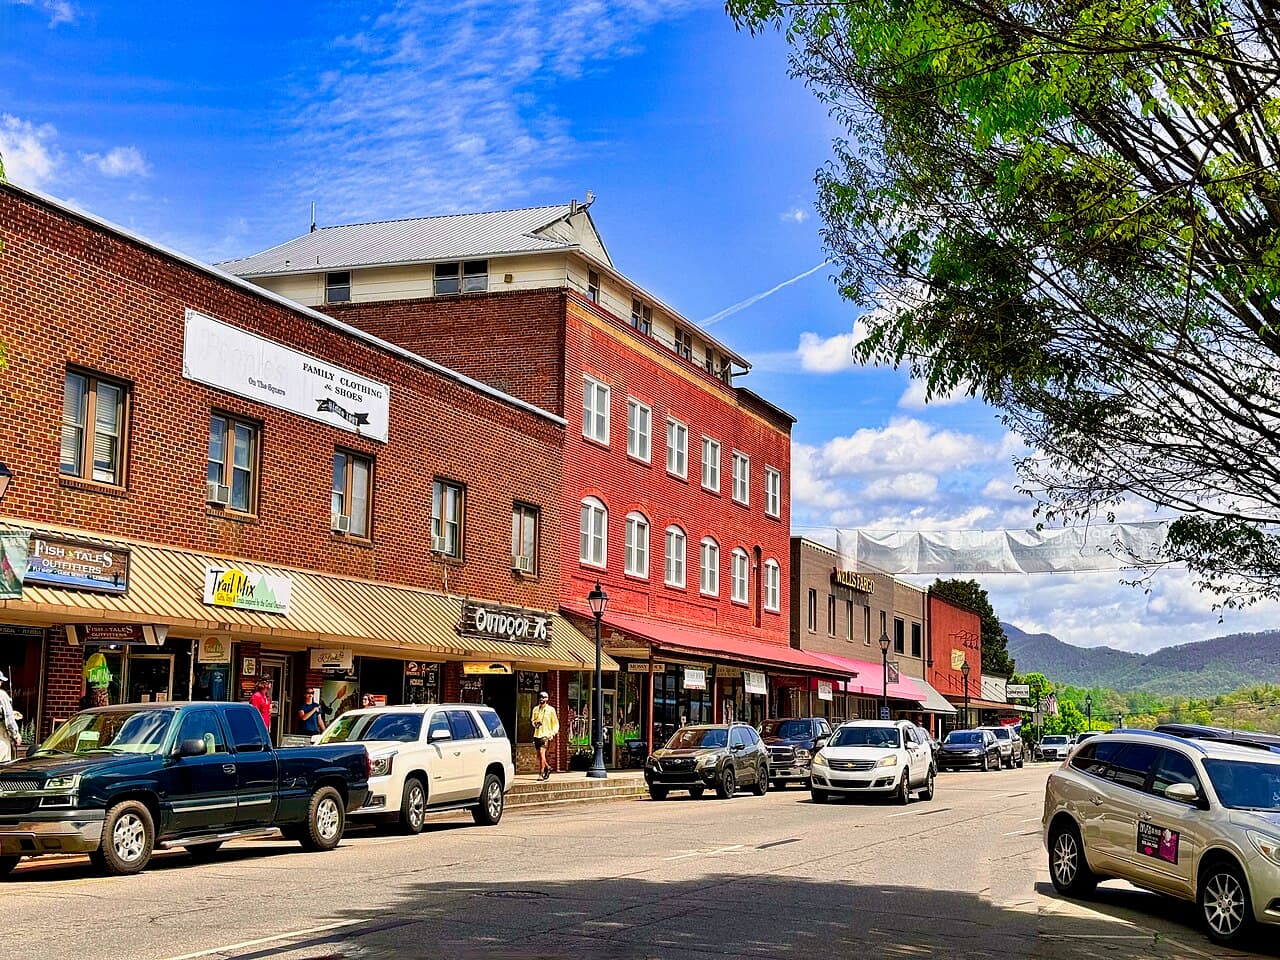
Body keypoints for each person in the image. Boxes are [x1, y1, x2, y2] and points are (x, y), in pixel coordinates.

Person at [531, 691, 559, 781]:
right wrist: (535, 723)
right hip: (537, 734)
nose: (541, 699)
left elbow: (555, 723)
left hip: (545, 735)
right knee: (539, 755)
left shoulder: (551, 710)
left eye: (543, 697)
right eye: (540, 697)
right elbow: (532, 720)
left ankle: (541, 773)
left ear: (547, 699)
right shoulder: (535, 709)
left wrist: (552, 733)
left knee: (542, 754)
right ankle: (548, 767)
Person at [0, 671, 22, 764]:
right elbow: (8, 718)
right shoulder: (1, 695)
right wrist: (16, 735)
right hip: (1, 737)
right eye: (0, 680)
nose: (1, 683)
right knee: (3, 766)